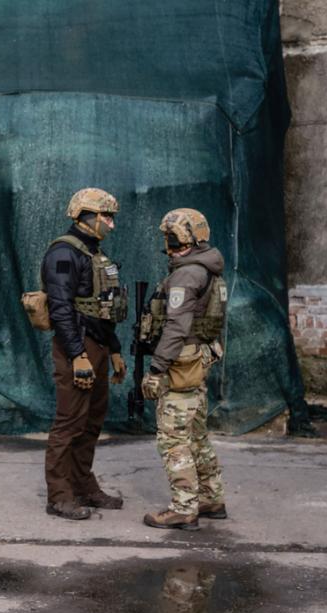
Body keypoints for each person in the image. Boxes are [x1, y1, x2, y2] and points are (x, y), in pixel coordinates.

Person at [40, 188, 128, 520]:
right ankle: (59, 495)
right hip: (76, 345)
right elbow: (61, 309)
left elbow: (103, 310)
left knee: (92, 421)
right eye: (107, 217)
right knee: (70, 422)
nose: (111, 225)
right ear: (86, 217)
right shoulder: (63, 253)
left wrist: (115, 350)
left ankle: (83, 484)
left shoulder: (94, 254)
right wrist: (77, 355)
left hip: (99, 344)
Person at [140, 208, 227, 531]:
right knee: (197, 434)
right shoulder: (208, 267)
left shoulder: (187, 274)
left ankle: (184, 508)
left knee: (173, 438)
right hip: (198, 359)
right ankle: (211, 497)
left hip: (180, 363)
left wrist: (156, 369)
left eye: (171, 236)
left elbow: (176, 327)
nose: (167, 242)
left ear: (184, 238)